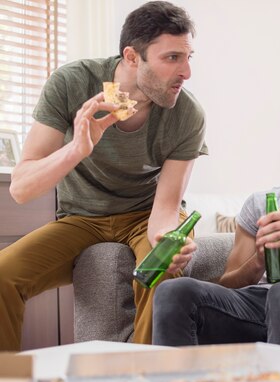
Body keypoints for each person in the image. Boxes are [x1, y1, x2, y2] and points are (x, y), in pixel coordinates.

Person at [0, 1, 206, 350]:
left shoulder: (187, 114)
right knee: (3, 275)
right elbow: (21, 188)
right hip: (81, 218)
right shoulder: (72, 82)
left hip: (144, 215)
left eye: (188, 57)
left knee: (159, 275)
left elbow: (167, 204)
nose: (186, 72)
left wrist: (165, 243)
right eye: (172, 58)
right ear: (131, 56)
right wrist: (76, 150)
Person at [152, 98, 280, 348]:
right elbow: (229, 283)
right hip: (258, 304)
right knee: (174, 291)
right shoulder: (261, 202)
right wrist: (259, 261)